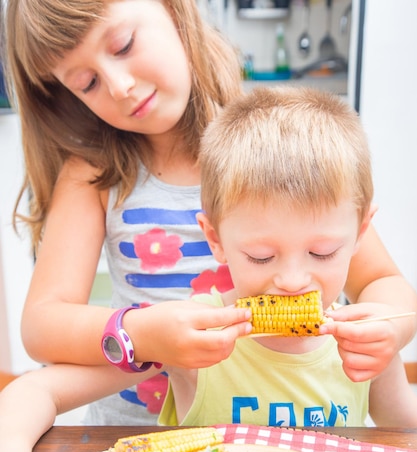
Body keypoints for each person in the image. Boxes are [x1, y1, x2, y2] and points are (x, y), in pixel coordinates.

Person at [1, 86, 416, 452]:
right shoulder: (193, 337)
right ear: (215, 240)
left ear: (360, 233)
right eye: (260, 256)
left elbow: (406, 436)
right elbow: (38, 389)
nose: (293, 280)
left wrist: (392, 339)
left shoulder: (366, 341)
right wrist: (9, 445)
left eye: (322, 252)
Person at [4, 0, 417, 427]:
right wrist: (144, 335)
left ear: (173, 9)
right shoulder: (94, 175)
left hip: (257, 423)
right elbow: (42, 325)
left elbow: (381, 281)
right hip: (129, 432)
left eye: (124, 45)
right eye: (87, 82)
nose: (120, 85)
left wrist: (388, 329)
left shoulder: (269, 151)